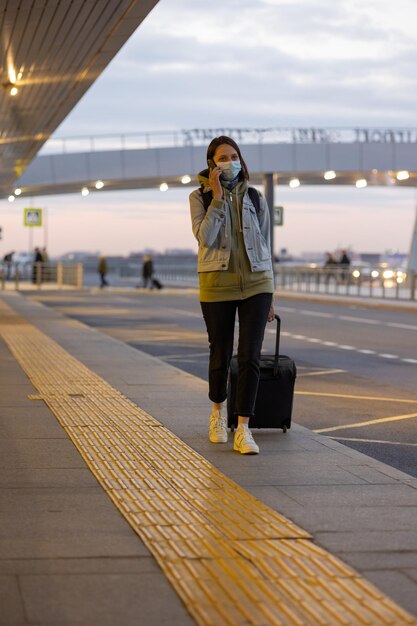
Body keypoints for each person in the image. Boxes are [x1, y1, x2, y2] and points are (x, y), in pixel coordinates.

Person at [189, 135, 275, 455]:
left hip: (257, 282)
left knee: (250, 354)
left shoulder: (255, 197)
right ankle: (218, 413)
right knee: (221, 352)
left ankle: (243, 428)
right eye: (222, 158)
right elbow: (205, 238)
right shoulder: (198, 197)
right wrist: (217, 199)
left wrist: (272, 294)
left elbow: (264, 246)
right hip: (217, 283)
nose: (229, 162)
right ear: (212, 165)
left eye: (233, 155)